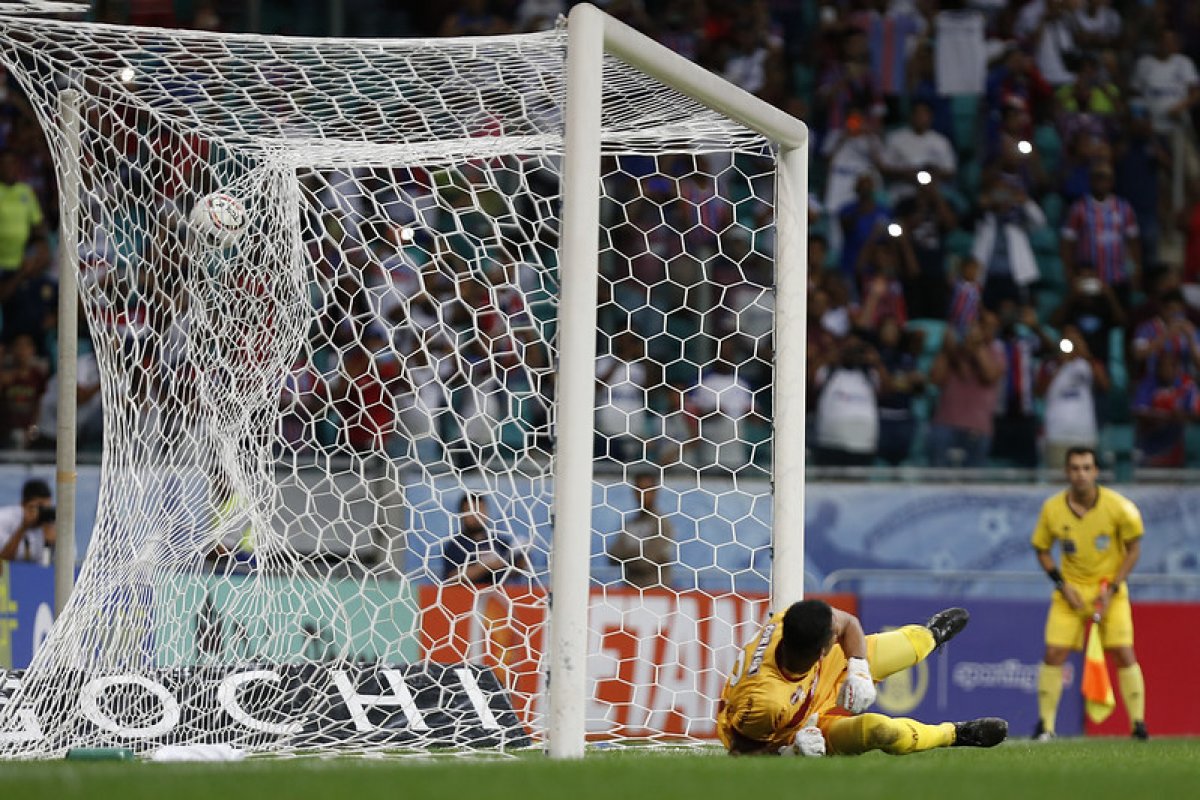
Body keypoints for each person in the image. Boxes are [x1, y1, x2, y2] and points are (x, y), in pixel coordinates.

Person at [716, 600, 1007, 756]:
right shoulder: (764, 703)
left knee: (912, 645)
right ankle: (956, 734)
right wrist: (790, 753)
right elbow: (741, 754)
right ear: (824, 647)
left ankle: (932, 635)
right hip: (798, 731)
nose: (837, 633)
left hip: (820, 673)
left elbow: (848, 623)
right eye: (834, 636)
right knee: (882, 731)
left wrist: (858, 669)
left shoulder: (788, 621)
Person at [1031, 446, 1149, 740]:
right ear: (1067, 472)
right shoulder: (1052, 508)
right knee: (1053, 652)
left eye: (1086, 468)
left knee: (1123, 652)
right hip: (1070, 591)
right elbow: (1042, 549)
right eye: (1075, 468)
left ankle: (1138, 724)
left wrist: (1115, 587)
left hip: (1110, 589)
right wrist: (1061, 584)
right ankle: (1046, 726)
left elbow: (1133, 549)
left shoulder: (1120, 507)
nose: (1080, 474)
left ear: (1096, 472)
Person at [441, 492, 529, 586]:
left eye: (480, 510)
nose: (475, 515)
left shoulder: (499, 542)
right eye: (470, 511)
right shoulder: (455, 545)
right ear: (461, 514)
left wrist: (521, 560)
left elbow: (513, 573)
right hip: (466, 597)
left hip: (498, 597)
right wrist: (485, 567)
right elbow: (451, 577)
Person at [607, 472, 675, 589]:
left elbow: (645, 561)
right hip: (631, 590)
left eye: (647, 490)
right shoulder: (630, 523)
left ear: (655, 492)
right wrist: (638, 554)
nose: (642, 494)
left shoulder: (662, 524)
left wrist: (627, 556)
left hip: (656, 593)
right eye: (638, 490)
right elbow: (613, 556)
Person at [0, 478, 55, 572]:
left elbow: (54, 569)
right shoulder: (4, 519)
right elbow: (3, 560)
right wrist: (23, 527)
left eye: (47, 508)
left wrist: (51, 544)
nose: (42, 512)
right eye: (39, 507)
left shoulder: (53, 525)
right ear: (23, 504)